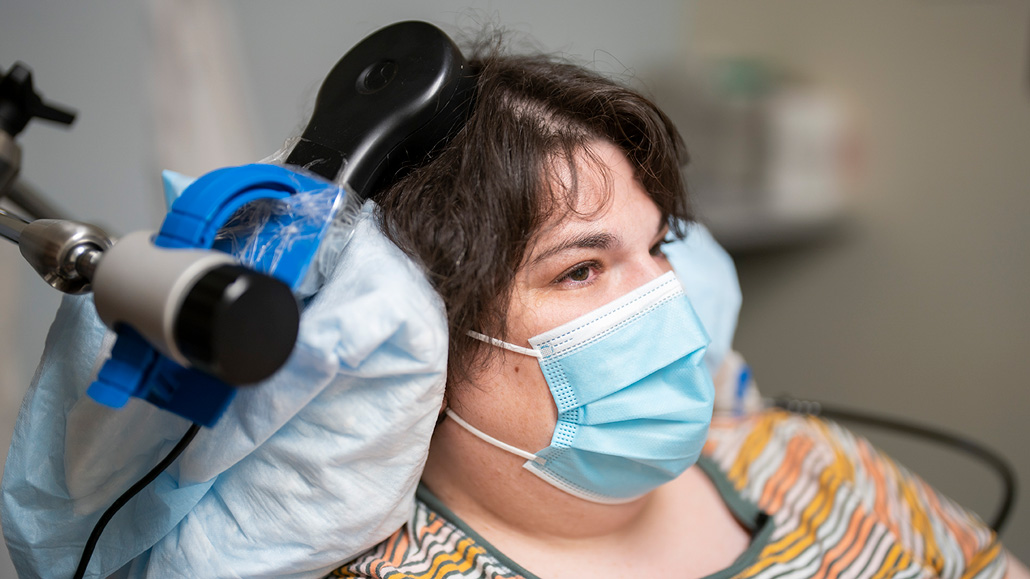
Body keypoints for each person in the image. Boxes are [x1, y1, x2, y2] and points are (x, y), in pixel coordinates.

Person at [327, 49, 1029, 579]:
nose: (665, 295)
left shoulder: (806, 457)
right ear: (423, 337)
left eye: (659, 246)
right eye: (580, 268)